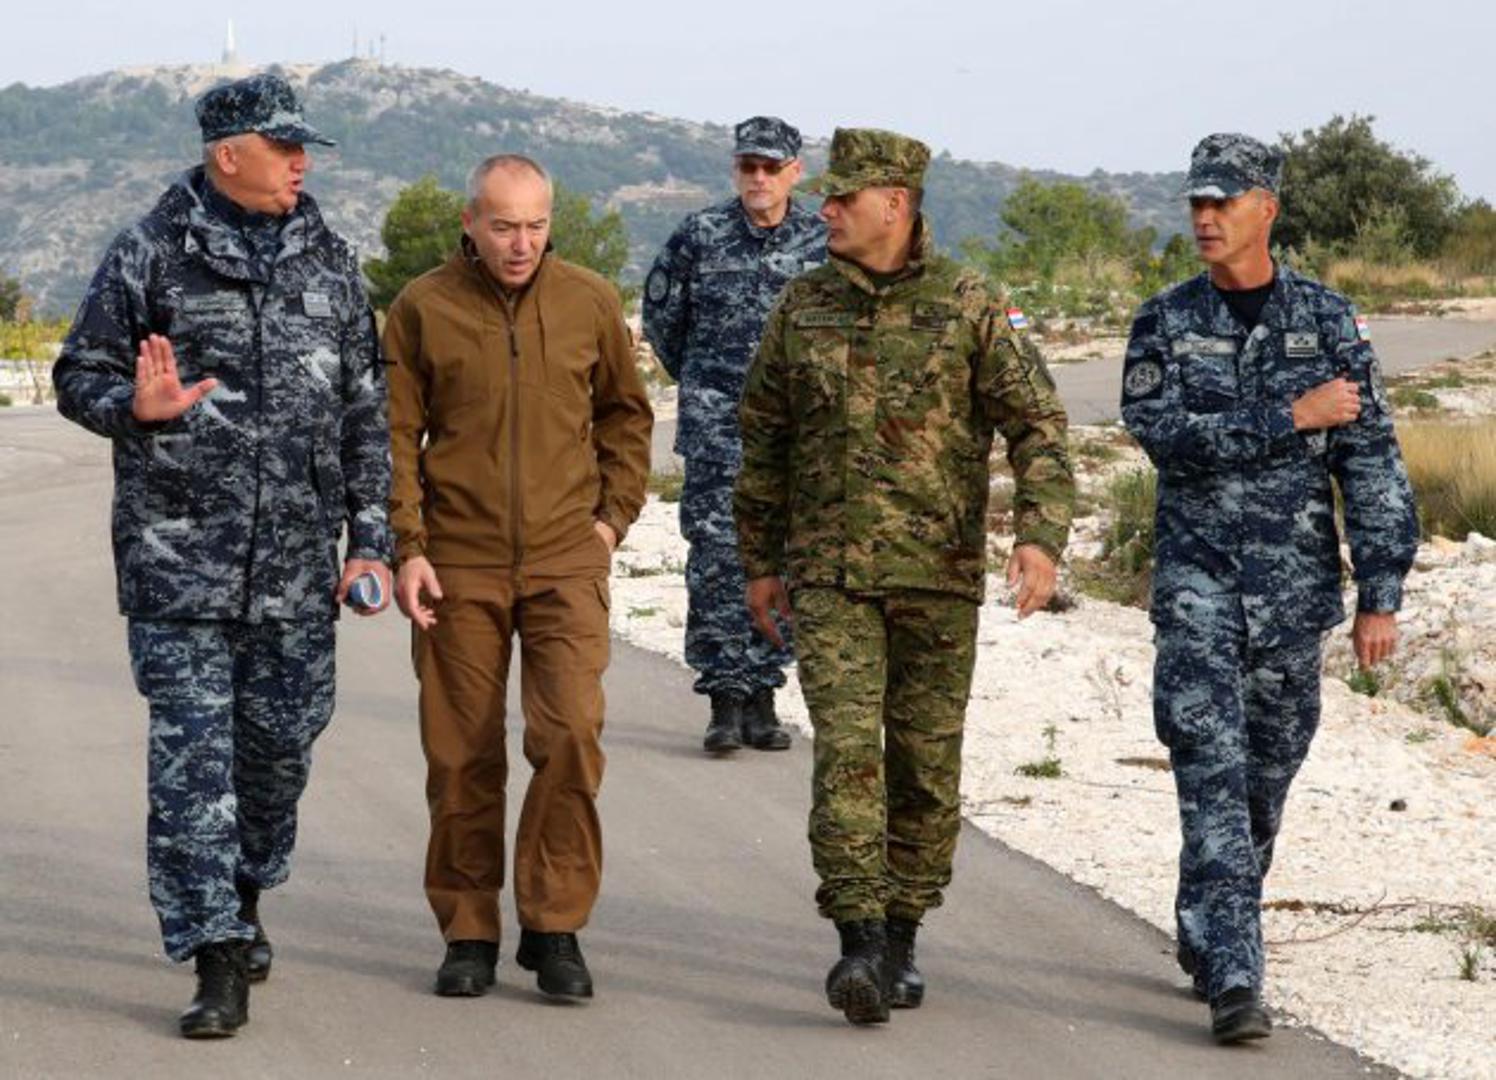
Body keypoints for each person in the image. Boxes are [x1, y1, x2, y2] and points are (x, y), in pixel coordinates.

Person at [51, 73, 392, 1038]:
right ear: (227, 153)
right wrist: (133, 406)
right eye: (284, 147)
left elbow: (366, 411)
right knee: (193, 765)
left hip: (296, 569)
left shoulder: (332, 261)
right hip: (178, 564)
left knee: (279, 756)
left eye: (303, 148)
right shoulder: (150, 250)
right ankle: (214, 953)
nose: (300, 162)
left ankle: (245, 892)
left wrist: (370, 541)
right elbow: (79, 372)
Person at [735, 128, 1075, 1024]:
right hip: (830, 577)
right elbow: (763, 439)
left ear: (895, 203)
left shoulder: (969, 304)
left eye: (844, 196)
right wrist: (758, 562)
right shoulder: (802, 306)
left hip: (938, 578)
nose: (826, 209)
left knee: (924, 768)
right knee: (849, 756)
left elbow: (1038, 426)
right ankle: (856, 940)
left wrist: (1040, 538)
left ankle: (901, 934)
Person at [1120, 133, 1418, 1044]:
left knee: (1263, 784)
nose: (1206, 218)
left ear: (1267, 210)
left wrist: (1380, 590)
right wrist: (1287, 415)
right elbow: (1163, 436)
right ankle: (1237, 977)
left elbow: (1370, 457)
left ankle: (1207, 921)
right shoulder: (1165, 321)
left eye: (1224, 202)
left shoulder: (1327, 321)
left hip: (1293, 599)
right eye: (1197, 203)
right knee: (1209, 771)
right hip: (1198, 592)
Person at [384, 154, 652, 1002]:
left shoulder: (589, 301)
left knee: (570, 733)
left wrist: (611, 521)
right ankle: (468, 930)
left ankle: (554, 924)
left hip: (567, 557)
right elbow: (394, 435)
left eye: (535, 226)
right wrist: (408, 545)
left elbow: (625, 415)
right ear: (470, 222)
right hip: (456, 561)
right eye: (503, 226)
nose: (520, 243)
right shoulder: (422, 306)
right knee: (461, 753)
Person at [642, 116, 826, 754]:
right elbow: (663, 320)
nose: (759, 177)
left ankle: (763, 695)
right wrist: (705, 381)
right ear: (735, 169)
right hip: (717, 431)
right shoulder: (699, 235)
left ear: (795, 172)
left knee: (783, 560)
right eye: (749, 166)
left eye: (771, 167)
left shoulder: (822, 243)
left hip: (794, 437)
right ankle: (723, 697)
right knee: (717, 562)